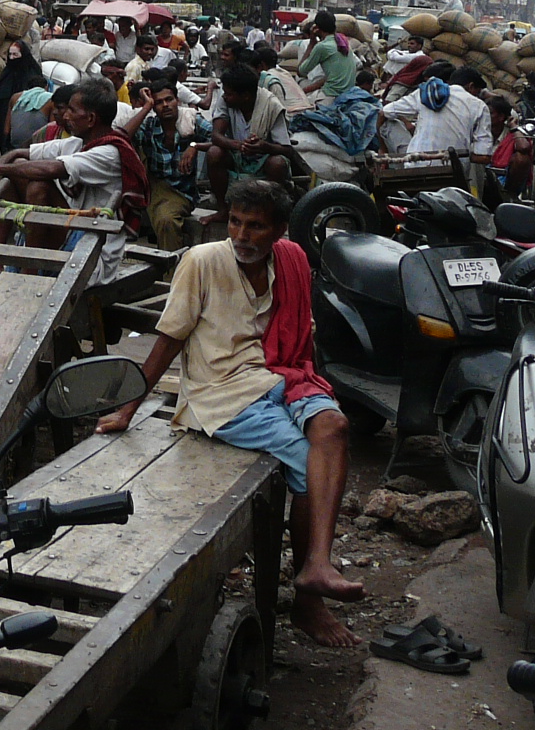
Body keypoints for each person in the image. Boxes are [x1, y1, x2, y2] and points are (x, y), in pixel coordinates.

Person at [95, 178, 363, 647]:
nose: (241, 234)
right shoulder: (202, 261)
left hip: (279, 375)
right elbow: (170, 338)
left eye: (255, 226)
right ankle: (308, 598)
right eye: (235, 222)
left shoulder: (291, 259)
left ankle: (317, 564)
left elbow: (300, 337)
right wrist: (128, 409)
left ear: (279, 230)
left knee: (335, 426)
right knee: (308, 463)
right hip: (223, 396)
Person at [0, 76, 146, 280]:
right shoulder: (76, 143)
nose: (64, 115)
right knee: (17, 169)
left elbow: (52, 169)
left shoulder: (109, 153)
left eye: (71, 110)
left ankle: (31, 269)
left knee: (38, 185)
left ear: (90, 119)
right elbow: (19, 154)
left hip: (91, 249)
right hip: (72, 231)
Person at [126, 71, 211, 247]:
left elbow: (220, 139)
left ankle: (171, 270)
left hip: (183, 192)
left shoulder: (191, 120)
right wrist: (146, 107)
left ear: (177, 100)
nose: (165, 105)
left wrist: (196, 146)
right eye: (158, 102)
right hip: (156, 188)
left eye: (169, 100)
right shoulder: (149, 126)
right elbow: (124, 136)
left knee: (166, 219)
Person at [205, 62, 292, 209]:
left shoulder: (271, 105)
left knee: (278, 163)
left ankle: (268, 210)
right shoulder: (225, 101)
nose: (225, 97)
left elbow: (286, 149)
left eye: (229, 94)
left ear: (245, 96)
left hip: (262, 160)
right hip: (236, 157)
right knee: (214, 153)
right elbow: (216, 136)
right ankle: (223, 209)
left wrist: (263, 146)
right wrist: (238, 145)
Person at [382, 64, 493, 167]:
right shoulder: (479, 106)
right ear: (471, 86)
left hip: (416, 165)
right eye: (477, 92)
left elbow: (387, 110)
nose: (477, 96)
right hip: (454, 171)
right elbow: (484, 157)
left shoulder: (426, 93)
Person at [297, 12, 356, 100]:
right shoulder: (343, 41)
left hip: (331, 94)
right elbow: (329, 78)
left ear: (316, 28)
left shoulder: (322, 47)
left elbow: (301, 72)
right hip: (348, 93)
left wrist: (312, 43)